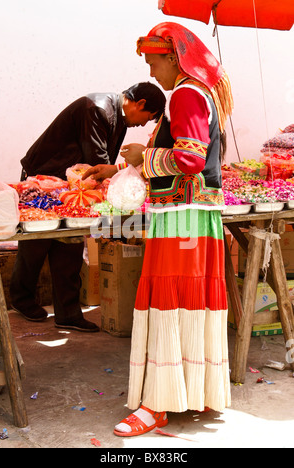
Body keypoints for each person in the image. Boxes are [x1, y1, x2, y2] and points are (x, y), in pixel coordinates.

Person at [112, 22, 234, 436]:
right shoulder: (199, 93)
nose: (152, 73)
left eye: (152, 62)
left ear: (171, 57)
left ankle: (156, 405)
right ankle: (186, 392)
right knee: (189, 303)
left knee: (169, 302)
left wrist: (143, 159)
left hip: (181, 217)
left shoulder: (185, 93)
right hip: (195, 218)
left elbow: (190, 158)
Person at [10, 83, 166, 332]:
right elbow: (98, 160)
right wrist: (123, 182)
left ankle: (68, 313)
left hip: (72, 182)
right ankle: (22, 299)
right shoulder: (96, 108)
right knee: (36, 242)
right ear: (141, 104)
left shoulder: (119, 118)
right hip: (44, 177)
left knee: (70, 244)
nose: (143, 125)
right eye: (148, 118)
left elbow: (102, 163)